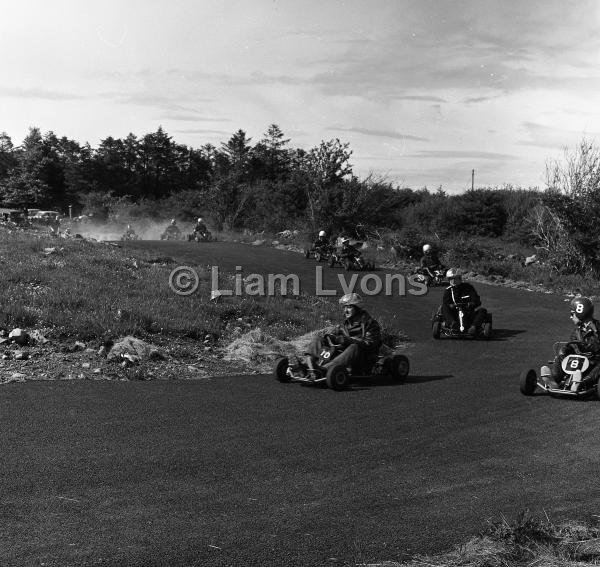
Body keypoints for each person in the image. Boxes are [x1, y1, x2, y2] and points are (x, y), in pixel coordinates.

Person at [307, 292, 382, 373]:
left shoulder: (370, 324)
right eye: (345, 307)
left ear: (357, 308)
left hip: (363, 359)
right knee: (318, 339)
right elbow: (337, 340)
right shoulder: (345, 325)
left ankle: (324, 369)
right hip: (343, 356)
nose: (345, 311)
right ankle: (309, 364)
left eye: (349, 307)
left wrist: (349, 340)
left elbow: (371, 344)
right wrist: (333, 338)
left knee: (354, 347)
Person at [544, 297, 600, 387]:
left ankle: (581, 383)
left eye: (572, 314)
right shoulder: (576, 332)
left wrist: (595, 332)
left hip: (595, 362)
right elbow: (573, 346)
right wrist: (565, 349)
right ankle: (554, 380)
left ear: (580, 313)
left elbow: (596, 348)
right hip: (580, 361)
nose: (570, 317)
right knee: (561, 356)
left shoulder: (598, 328)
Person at [441, 268, 487, 335]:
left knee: (483, 310)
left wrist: (471, 303)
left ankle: (473, 327)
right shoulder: (448, 290)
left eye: (455, 278)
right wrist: (451, 305)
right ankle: (453, 325)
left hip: (468, 313)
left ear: (459, 278)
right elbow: (446, 303)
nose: (453, 280)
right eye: (451, 279)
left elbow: (477, 300)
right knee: (444, 307)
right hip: (455, 315)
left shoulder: (468, 288)